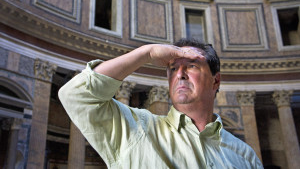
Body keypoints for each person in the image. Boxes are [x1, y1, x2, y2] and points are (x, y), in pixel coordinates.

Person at [59, 38, 263, 168]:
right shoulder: (136, 130)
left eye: (191, 66)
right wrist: (146, 53)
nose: (180, 74)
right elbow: (75, 95)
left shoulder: (245, 156)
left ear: (215, 80)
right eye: (173, 68)